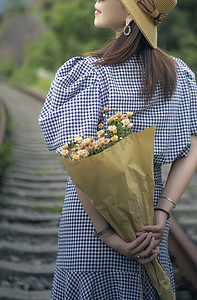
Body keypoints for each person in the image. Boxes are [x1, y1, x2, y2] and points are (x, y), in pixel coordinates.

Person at [39, 0, 197, 299]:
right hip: (149, 224)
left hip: (88, 224)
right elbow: (193, 145)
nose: (97, 0)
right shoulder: (179, 74)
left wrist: (107, 234)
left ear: (129, 12)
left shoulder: (90, 73)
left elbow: (77, 157)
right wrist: (161, 213)